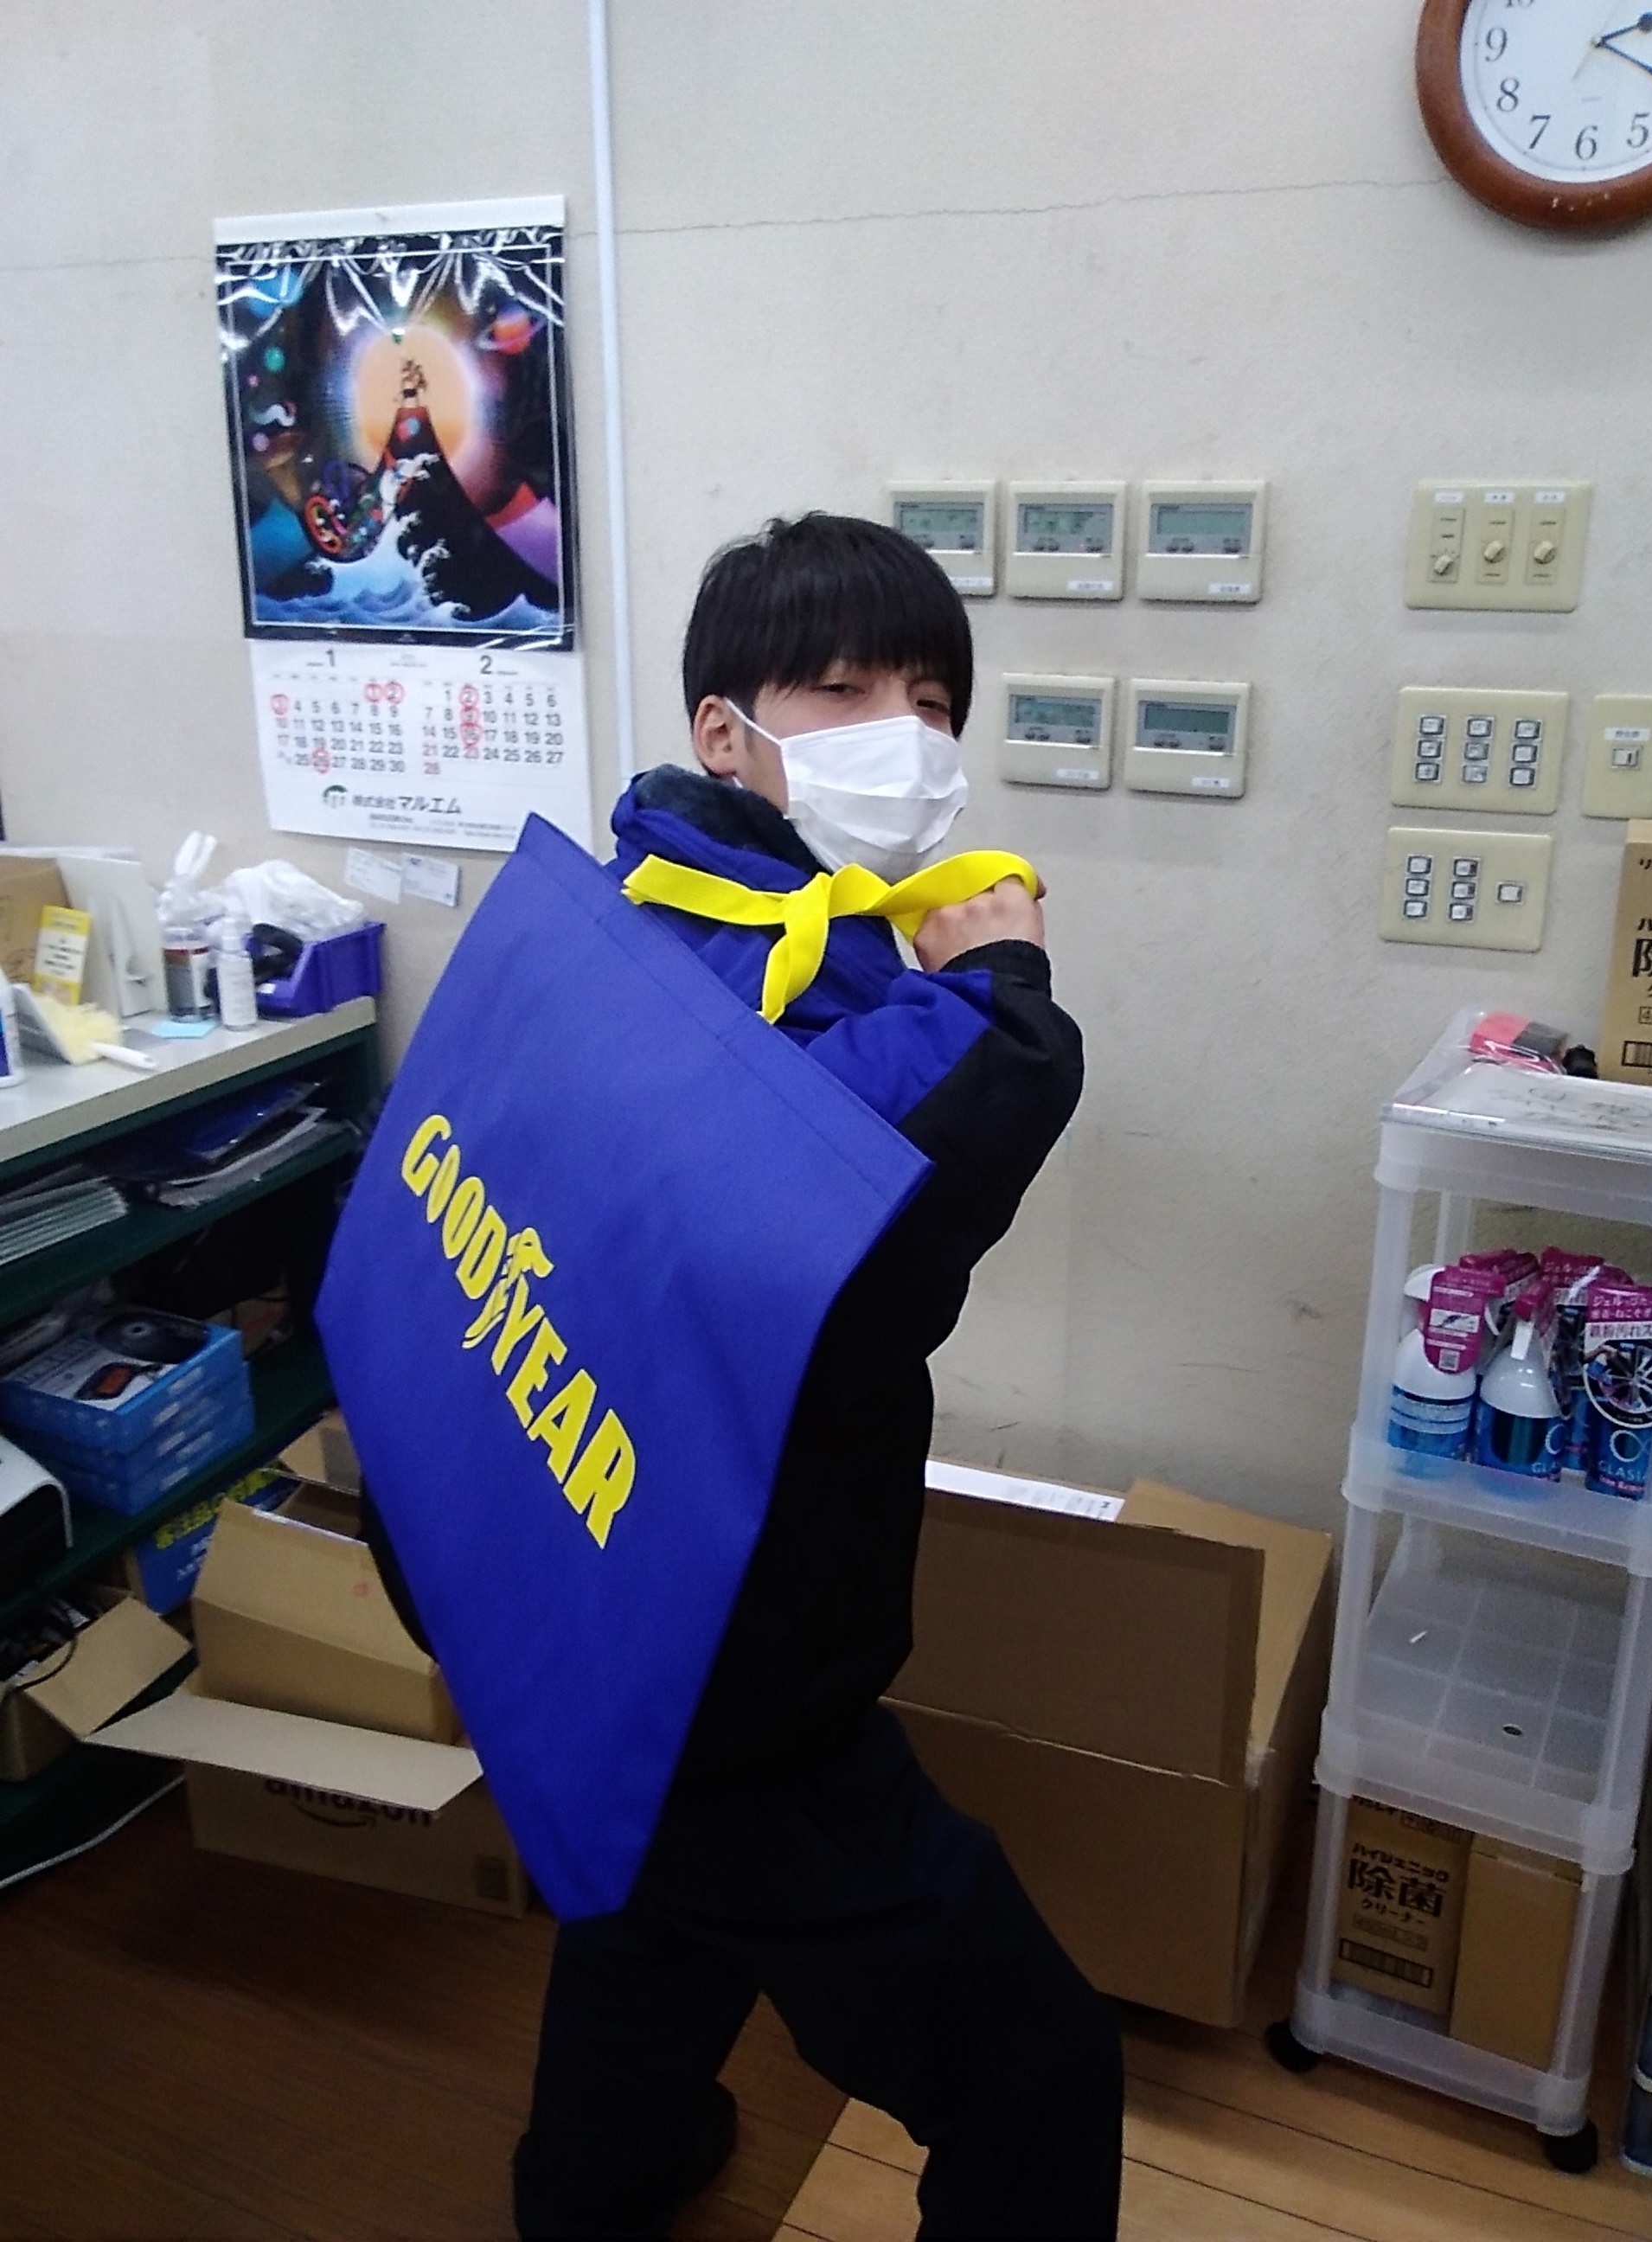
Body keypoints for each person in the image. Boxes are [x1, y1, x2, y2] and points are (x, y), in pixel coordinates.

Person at [369, 512, 1120, 2239]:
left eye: (934, 702)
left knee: (648, 1913)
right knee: (1035, 2066)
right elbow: (874, 1220)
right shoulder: (764, 970)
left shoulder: (617, 906)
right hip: (726, 1657)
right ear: (728, 730)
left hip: (563, 1597)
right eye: (845, 692)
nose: (904, 739)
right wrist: (1006, 984)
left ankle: (599, 2188)